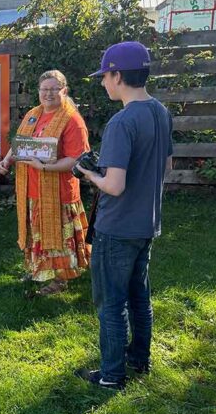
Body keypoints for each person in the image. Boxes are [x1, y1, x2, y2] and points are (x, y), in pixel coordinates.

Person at [74, 41, 173, 390]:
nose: (103, 83)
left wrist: (87, 173)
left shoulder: (122, 121)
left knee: (111, 304)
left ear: (118, 75)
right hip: (147, 223)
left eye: (105, 76)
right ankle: (138, 359)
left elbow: (113, 186)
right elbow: (165, 165)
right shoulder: (161, 112)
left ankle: (112, 375)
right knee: (139, 296)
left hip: (116, 228)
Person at [0, 70, 91, 296]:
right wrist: (7, 159)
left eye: (54, 89)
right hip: (31, 188)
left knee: (58, 236)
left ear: (64, 91)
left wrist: (45, 167)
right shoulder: (33, 114)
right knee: (35, 233)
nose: (48, 94)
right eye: (44, 89)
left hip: (57, 192)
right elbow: (21, 143)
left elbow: (77, 159)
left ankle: (60, 279)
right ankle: (38, 268)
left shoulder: (71, 120)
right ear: (38, 92)